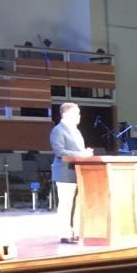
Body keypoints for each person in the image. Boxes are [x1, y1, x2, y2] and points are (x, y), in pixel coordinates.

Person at [48, 102, 91, 243]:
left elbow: (78, 152)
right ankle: (65, 233)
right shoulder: (58, 130)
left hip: (78, 172)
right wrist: (81, 154)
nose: (79, 116)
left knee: (78, 204)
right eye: (75, 113)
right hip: (65, 173)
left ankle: (77, 231)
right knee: (66, 204)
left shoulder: (77, 131)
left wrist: (85, 154)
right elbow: (60, 152)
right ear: (65, 115)